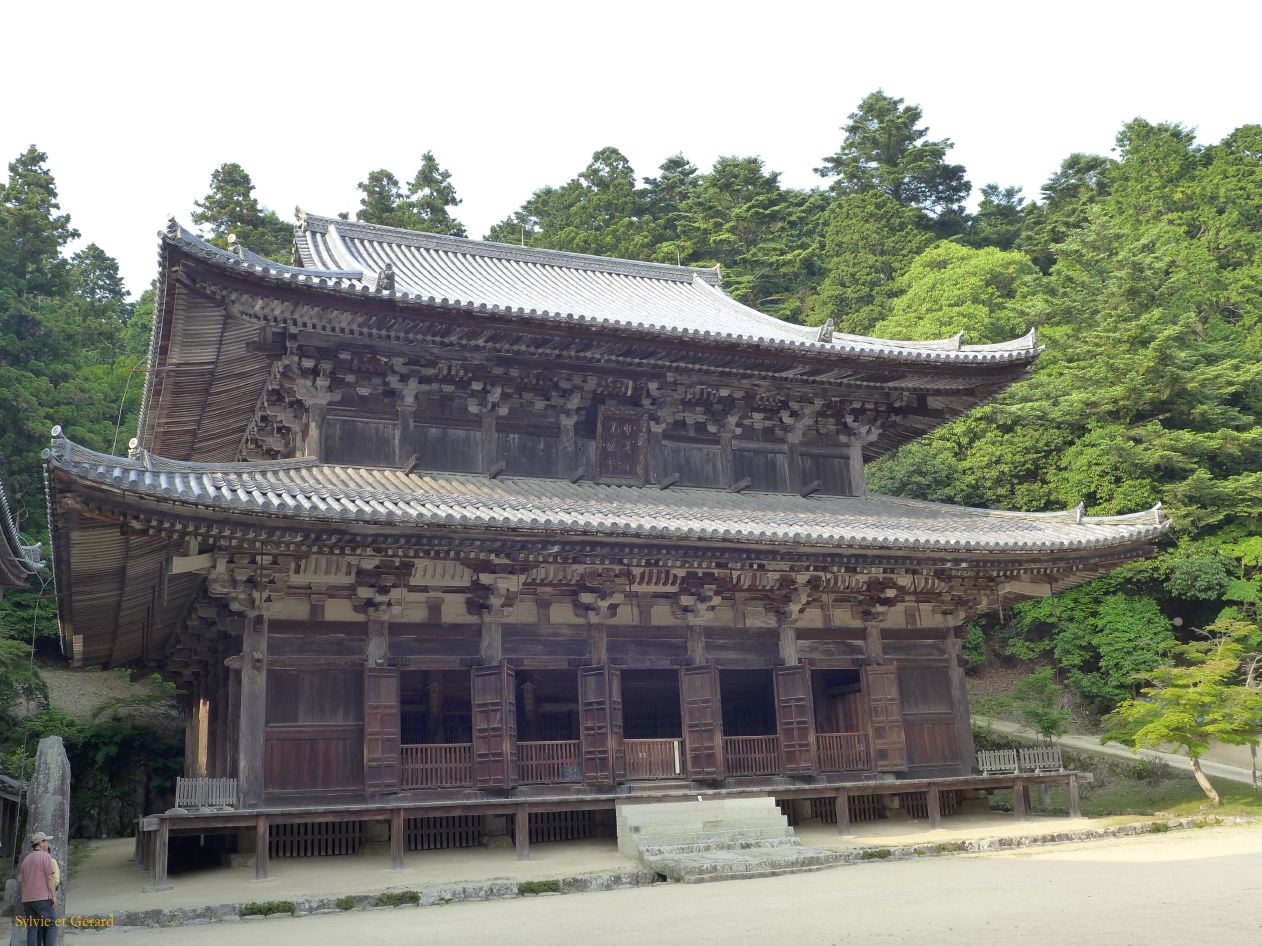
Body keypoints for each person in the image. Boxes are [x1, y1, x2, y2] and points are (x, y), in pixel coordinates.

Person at [19, 831, 58, 946]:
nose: (47, 843)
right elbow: (50, 877)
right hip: (42, 898)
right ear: (40, 843)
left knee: (32, 927)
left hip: (27, 900)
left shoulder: (26, 860)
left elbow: (23, 882)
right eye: (45, 841)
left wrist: (25, 897)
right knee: (52, 925)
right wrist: (54, 897)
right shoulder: (45, 856)